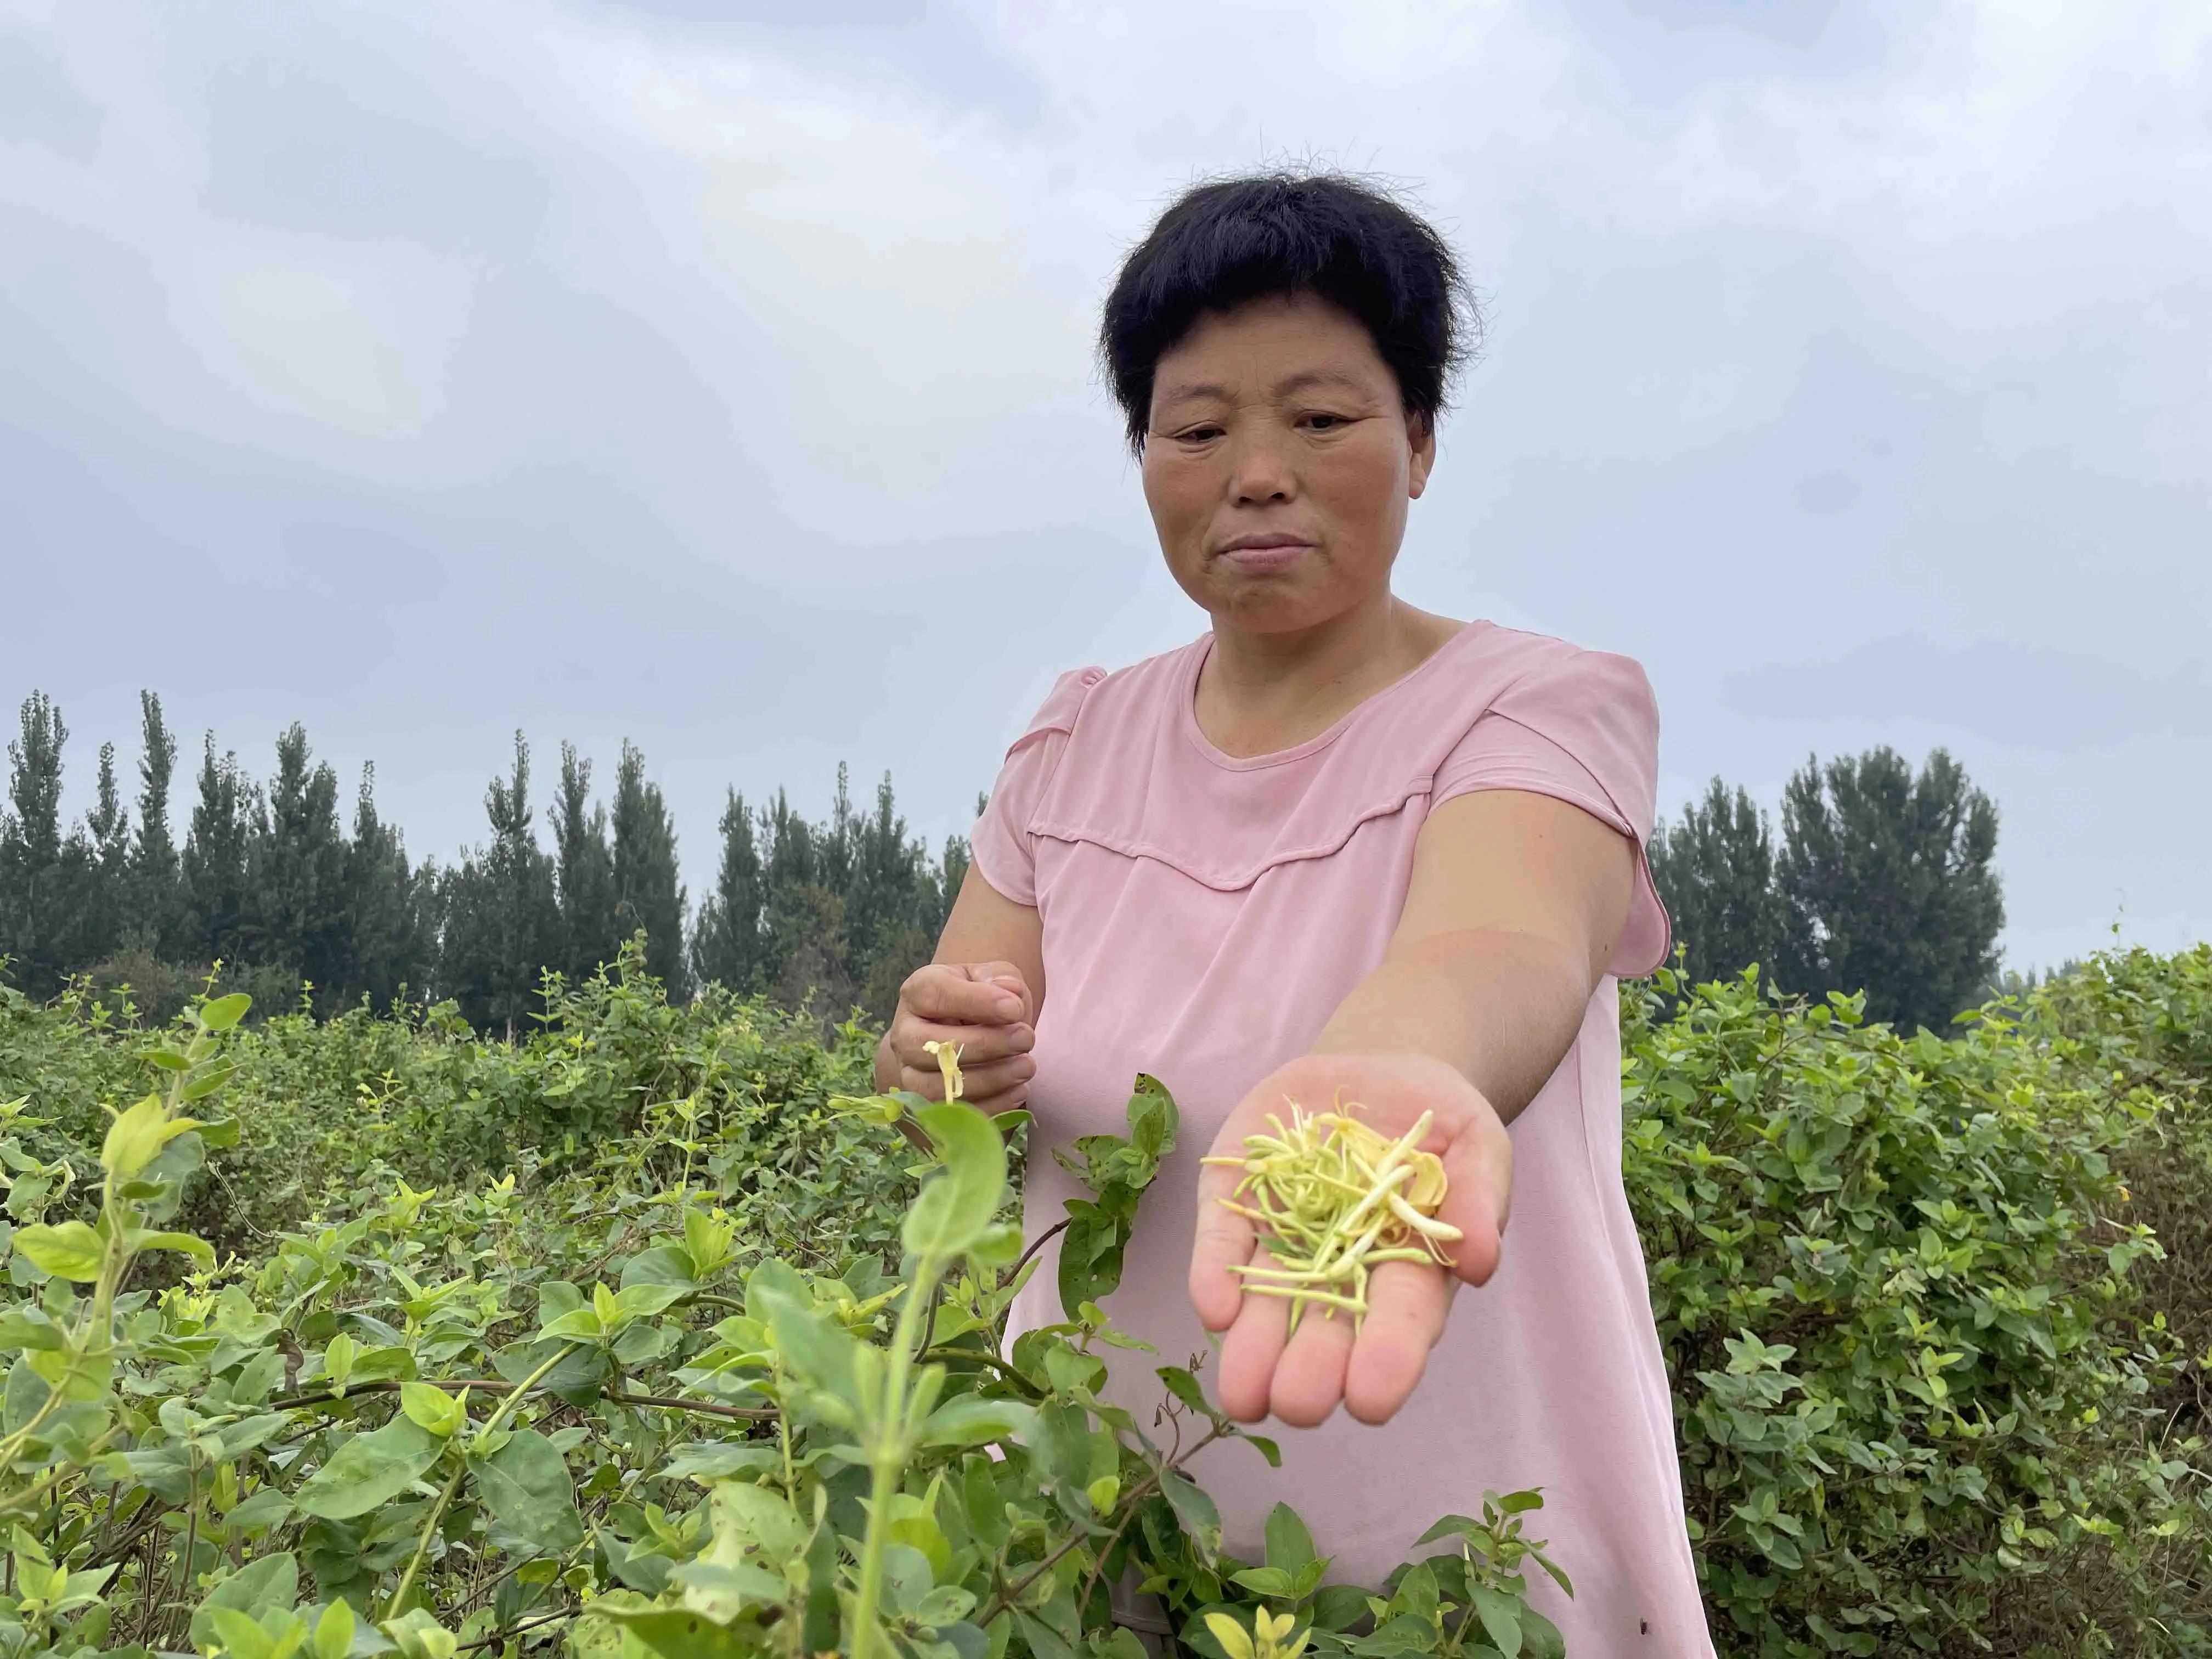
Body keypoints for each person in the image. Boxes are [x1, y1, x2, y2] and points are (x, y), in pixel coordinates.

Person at [874, 172, 1714, 1656]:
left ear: (1422, 443)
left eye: (1320, 421)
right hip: (1094, 1536)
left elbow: (1501, 938)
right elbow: (962, 1029)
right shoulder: (1071, 745)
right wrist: (944, 1052)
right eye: (1199, 430)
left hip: (1472, 1566)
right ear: (1145, 455)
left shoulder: (1535, 708)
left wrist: (1400, 1073)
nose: (1257, 471)